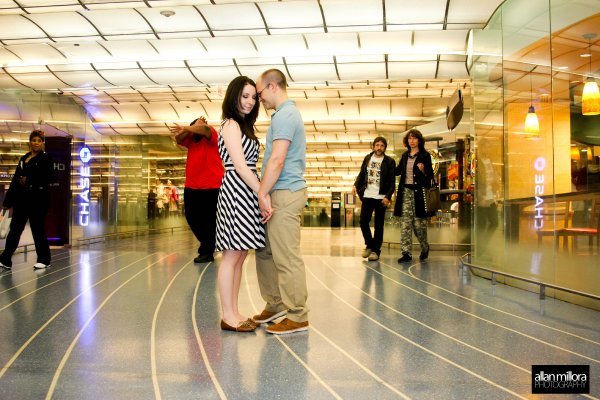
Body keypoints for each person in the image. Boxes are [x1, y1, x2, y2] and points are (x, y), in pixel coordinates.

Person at [254, 68, 309, 335]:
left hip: (284, 193)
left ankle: (298, 315)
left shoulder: (286, 115)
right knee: (265, 251)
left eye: (260, 92)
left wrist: (262, 193)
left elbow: (277, 159)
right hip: (276, 191)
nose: (258, 98)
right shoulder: (280, 116)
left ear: (273, 87)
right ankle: (275, 304)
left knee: (286, 257)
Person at [214, 75, 265, 333]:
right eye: (245, 96)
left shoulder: (244, 126)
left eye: (253, 97)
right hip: (237, 188)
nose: (250, 101)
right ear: (233, 96)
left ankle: (234, 311)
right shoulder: (231, 124)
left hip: (245, 190)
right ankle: (227, 315)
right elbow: (241, 166)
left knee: (240, 255)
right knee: (232, 256)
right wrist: (262, 193)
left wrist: (258, 191)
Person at [170, 116, 224, 263]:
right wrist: (188, 129)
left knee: (209, 221)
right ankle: (210, 243)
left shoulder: (211, 134)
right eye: (198, 124)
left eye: (203, 123)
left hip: (212, 186)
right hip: (192, 186)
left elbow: (205, 129)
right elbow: (178, 139)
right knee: (191, 217)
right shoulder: (191, 140)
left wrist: (191, 126)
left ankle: (207, 251)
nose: (202, 124)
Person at [0, 130, 52, 270]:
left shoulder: (45, 158)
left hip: (37, 201)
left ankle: (44, 259)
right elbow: (15, 181)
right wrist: (7, 203)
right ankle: (5, 259)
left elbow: (48, 178)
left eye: (39, 141)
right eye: (34, 140)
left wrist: (28, 179)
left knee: (38, 230)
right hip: (21, 200)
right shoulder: (24, 158)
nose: (36, 143)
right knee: (15, 229)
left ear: (42, 143)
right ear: (30, 142)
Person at [394, 129, 434, 263]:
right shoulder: (405, 156)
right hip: (405, 192)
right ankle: (406, 253)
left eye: (414, 138)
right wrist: (386, 164)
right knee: (405, 224)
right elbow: (398, 171)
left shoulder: (425, 156)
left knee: (419, 225)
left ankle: (424, 247)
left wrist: (423, 170)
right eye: (410, 138)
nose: (412, 141)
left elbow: (430, 178)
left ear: (419, 140)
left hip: (419, 194)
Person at [353, 136, 396, 261]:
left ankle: (376, 251)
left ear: (385, 148)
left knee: (378, 225)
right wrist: (355, 185)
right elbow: (362, 174)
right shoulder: (368, 158)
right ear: (373, 146)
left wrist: (388, 196)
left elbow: (391, 182)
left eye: (382, 145)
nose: (379, 148)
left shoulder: (389, 161)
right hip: (367, 195)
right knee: (363, 222)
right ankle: (369, 245)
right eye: (377, 145)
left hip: (381, 197)